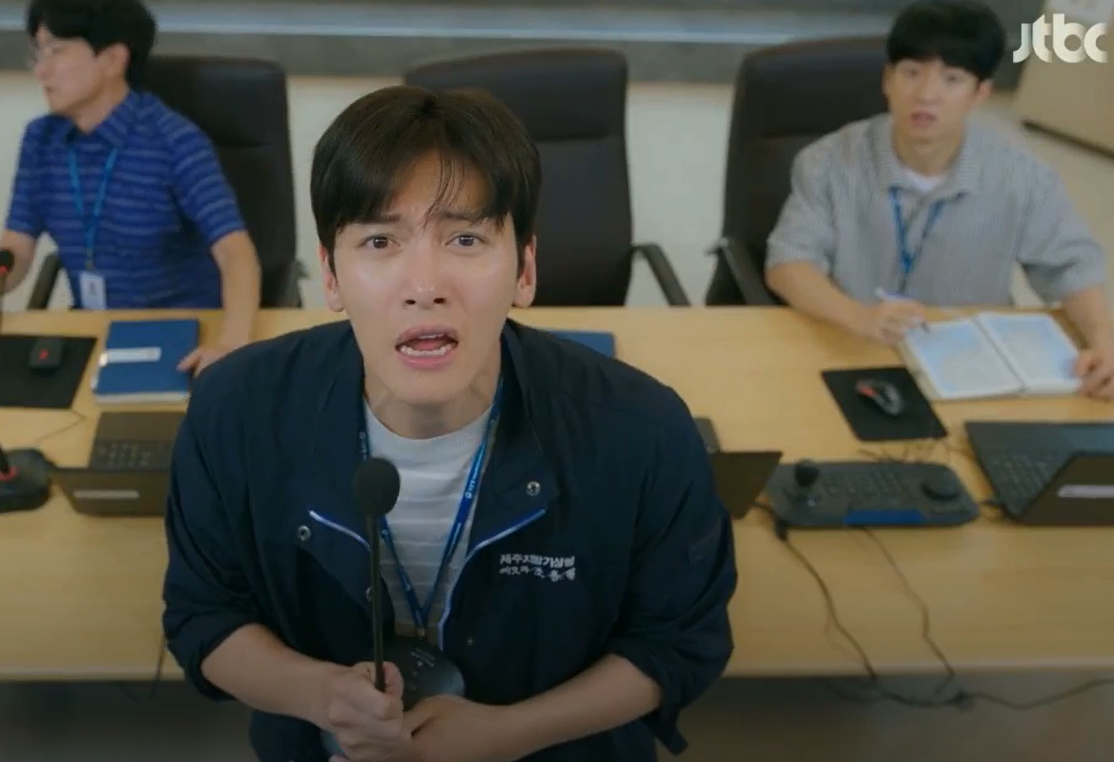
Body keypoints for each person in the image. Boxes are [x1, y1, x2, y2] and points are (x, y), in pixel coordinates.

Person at [162, 85, 736, 762]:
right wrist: (322, 695)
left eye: (466, 239)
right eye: (380, 241)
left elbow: (677, 640)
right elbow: (205, 614)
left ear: (524, 270)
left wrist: (507, 734)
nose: (424, 285)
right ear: (332, 277)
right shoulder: (235, 412)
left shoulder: (641, 430)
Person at [764, 0, 1114, 401]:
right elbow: (789, 264)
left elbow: (1073, 267)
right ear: (887, 80)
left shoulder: (1022, 178)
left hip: (971, 367)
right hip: (851, 347)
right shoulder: (828, 163)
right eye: (911, 73)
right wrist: (858, 317)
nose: (927, 95)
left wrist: (1105, 341)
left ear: (980, 93)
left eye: (951, 79)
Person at [0, 0, 261, 374]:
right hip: (92, 335)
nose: (41, 71)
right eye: (38, 54)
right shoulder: (40, 141)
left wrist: (231, 346)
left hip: (177, 334)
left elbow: (236, 254)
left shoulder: (175, 142)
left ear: (112, 60)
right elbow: (17, 245)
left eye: (56, 52)